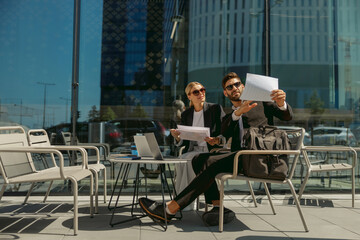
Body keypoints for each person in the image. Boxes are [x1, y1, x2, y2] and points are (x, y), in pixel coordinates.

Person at [139, 72, 293, 226]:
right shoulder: (230, 114)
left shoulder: (260, 103)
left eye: (237, 84)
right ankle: (218, 207)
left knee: (211, 162)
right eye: (230, 87)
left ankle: (169, 209)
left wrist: (281, 103)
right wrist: (237, 113)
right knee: (199, 159)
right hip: (240, 157)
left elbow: (286, 116)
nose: (235, 88)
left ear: (243, 86)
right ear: (225, 93)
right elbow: (224, 131)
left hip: (260, 158)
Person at [170, 82, 225, 210]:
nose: (201, 93)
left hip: (212, 150)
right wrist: (178, 137)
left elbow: (224, 131)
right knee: (182, 160)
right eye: (196, 92)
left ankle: (182, 202)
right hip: (194, 150)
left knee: (191, 161)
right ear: (189, 96)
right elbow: (184, 141)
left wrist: (216, 140)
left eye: (202, 90)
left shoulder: (215, 109)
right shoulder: (186, 114)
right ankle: (183, 201)